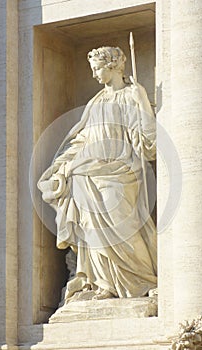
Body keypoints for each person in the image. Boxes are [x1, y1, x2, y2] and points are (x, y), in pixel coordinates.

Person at [37, 46, 157, 301]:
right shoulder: (96, 102)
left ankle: (141, 279)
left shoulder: (131, 95)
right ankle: (102, 284)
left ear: (113, 66)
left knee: (122, 222)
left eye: (97, 69)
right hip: (87, 171)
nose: (93, 75)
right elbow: (83, 138)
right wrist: (62, 165)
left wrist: (142, 99)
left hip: (121, 170)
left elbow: (148, 142)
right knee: (90, 225)